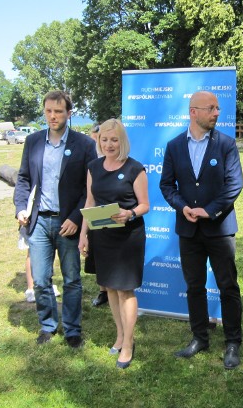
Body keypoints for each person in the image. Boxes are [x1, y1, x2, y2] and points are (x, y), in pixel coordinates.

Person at [159, 90, 243, 370]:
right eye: (211, 108)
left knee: (227, 286)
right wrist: (182, 206)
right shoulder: (173, 146)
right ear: (193, 111)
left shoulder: (226, 145)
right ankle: (199, 337)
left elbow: (234, 185)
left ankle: (232, 342)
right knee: (194, 286)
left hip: (219, 229)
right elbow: (167, 186)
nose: (217, 113)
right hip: (189, 230)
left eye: (218, 108)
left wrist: (209, 210)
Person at [14, 90, 97, 347]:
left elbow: (90, 188)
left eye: (58, 111)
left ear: (69, 114)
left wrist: (75, 217)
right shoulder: (34, 141)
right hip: (39, 222)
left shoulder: (84, 145)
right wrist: (20, 208)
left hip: (68, 224)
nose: (53, 116)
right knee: (40, 279)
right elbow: (24, 179)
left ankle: (72, 331)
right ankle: (47, 326)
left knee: (71, 279)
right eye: (48, 111)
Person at [78, 119, 149, 369]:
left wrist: (129, 213)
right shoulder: (93, 167)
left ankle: (129, 344)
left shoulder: (135, 169)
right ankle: (119, 335)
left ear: (123, 141)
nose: (109, 144)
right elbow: (90, 202)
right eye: (104, 139)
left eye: (114, 139)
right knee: (109, 287)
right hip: (101, 236)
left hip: (128, 238)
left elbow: (144, 205)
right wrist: (83, 234)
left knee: (125, 290)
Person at [85, 123, 109, 308]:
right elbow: (89, 198)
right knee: (98, 257)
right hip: (98, 215)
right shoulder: (93, 165)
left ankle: (112, 290)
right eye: (99, 139)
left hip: (117, 217)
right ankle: (103, 292)